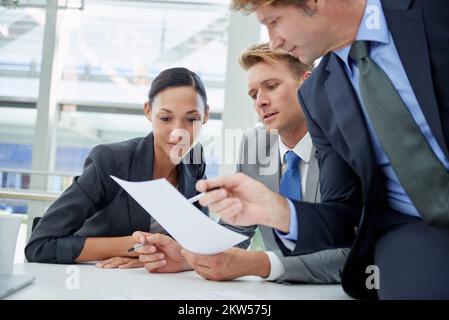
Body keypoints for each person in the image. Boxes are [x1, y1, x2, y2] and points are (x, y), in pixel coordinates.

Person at [196, 0, 449, 299]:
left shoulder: (433, 11)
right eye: (253, 93)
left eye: (274, 21)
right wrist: (279, 211)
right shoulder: (319, 98)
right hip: (414, 229)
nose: (273, 39)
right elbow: (344, 215)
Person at [183, 43, 349, 283]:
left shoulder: (344, 145)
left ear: (309, 84)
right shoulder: (254, 144)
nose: (260, 102)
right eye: (253, 95)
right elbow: (237, 229)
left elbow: (352, 250)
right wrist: (186, 255)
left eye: (271, 86)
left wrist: (260, 264)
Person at [25, 67, 210, 268]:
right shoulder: (110, 160)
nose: (178, 133)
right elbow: (39, 246)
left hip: (157, 280)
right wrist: (134, 247)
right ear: (148, 111)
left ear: (206, 116)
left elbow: (201, 241)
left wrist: (152, 257)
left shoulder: (194, 159)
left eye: (191, 119)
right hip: (96, 278)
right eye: (165, 118)